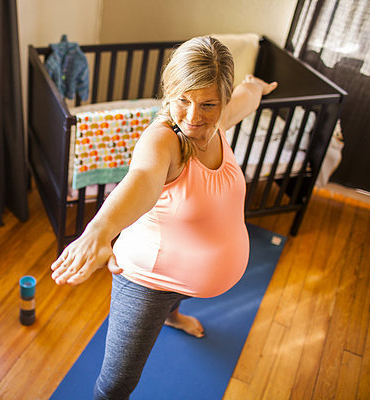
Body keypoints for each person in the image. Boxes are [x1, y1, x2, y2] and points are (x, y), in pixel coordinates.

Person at [50, 36, 278, 399]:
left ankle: (172, 316)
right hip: (148, 278)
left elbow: (245, 101)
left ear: (223, 99)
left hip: (186, 277)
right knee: (116, 383)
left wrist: (255, 87)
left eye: (208, 104)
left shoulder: (216, 124)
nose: (192, 117)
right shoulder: (162, 141)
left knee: (176, 297)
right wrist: (100, 230)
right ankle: (166, 311)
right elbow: (141, 179)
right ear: (169, 91)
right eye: (183, 100)